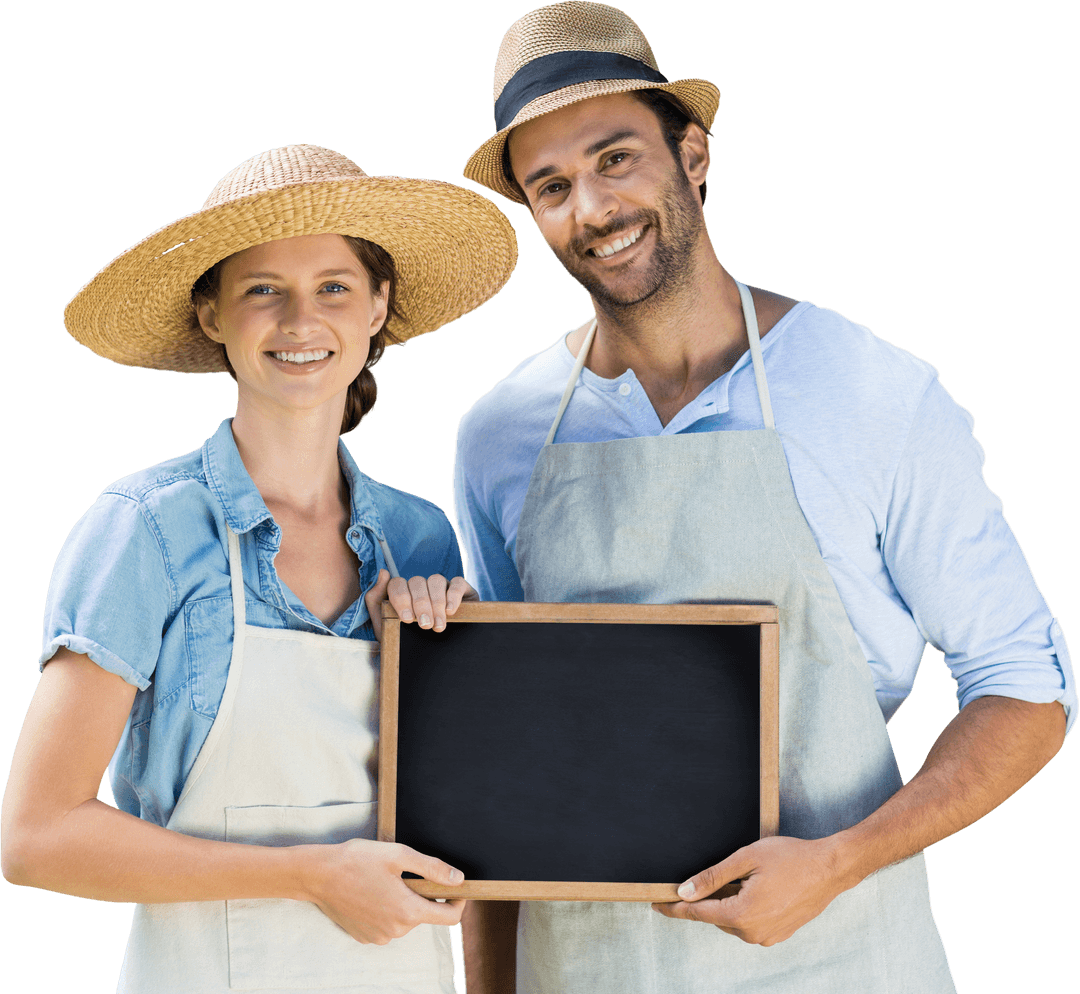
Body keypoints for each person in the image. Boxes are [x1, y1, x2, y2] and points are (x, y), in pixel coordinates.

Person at [451, 4, 1075, 993]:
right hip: (588, 970)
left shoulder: (870, 389)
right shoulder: (501, 433)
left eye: (617, 158)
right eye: (554, 186)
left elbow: (1028, 689)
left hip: (837, 957)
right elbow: (492, 757)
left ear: (692, 152)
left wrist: (835, 860)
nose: (594, 209)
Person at [0, 144, 517, 994]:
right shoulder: (146, 531)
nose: (300, 321)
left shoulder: (420, 542)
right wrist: (310, 876)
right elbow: (36, 836)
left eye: (335, 288)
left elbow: (476, 823)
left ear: (380, 305)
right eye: (263, 290)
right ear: (213, 316)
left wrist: (463, 645)